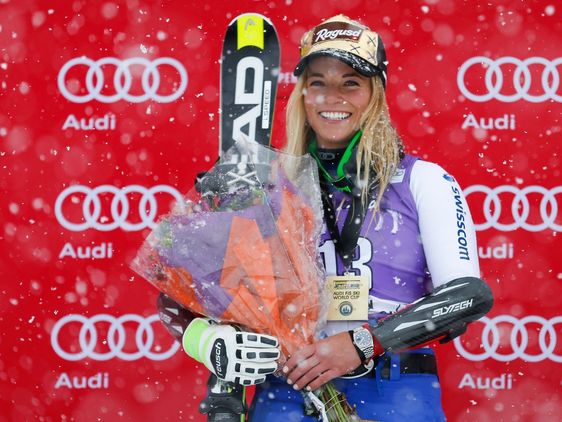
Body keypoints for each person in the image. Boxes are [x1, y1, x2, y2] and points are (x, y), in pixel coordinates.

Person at [158, 14, 493, 421]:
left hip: (395, 391)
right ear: (302, 94)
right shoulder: (264, 186)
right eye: (318, 82)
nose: (333, 96)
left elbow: (466, 296)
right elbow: (181, 298)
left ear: (376, 94)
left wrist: (363, 343)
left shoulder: (424, 181)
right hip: (285, 392)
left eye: (351, 82)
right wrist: (209, 340)